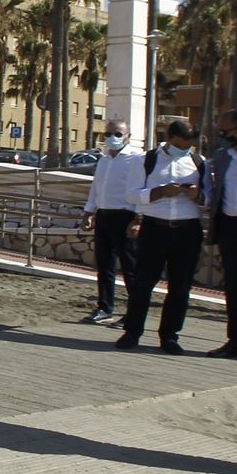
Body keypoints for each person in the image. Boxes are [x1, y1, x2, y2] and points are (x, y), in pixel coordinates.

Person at [116, 119, 206, 354]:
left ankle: (170, 336)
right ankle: (132, 332)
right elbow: (132, 195)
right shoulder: (145, 160)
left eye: (188, 145)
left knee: (180, 287)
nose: (183, 149)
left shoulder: (198, 162)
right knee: (143, 283)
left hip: (187, 230)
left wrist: (197, 195)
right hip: (155, 228)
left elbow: (209, 199)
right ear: (169, 138)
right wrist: (160, 192)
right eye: (180, 144)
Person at [204, 110, 237, 358]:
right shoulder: (222, 156)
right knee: (235, 288)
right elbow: (214, 190)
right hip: (231, 227)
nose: (222, 137)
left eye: (225, 132)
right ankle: (236, 344)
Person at [80, 119, 142, 323]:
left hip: (125, 216)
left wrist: (138, 218)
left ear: (128, 136)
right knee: (104, 265)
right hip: (104, 215)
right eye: (108, 134)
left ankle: (133, 313)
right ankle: (105, 307)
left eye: (117, 134)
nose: (112, 138)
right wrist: (89, 212)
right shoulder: (104, 159)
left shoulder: (136, 159)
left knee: (130, 267)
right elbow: (96, 187)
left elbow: (140, 189)